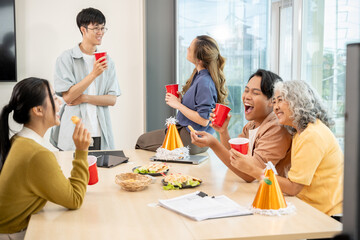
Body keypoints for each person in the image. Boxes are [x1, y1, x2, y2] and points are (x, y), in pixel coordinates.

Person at [229, 80, 343, 217]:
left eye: (280, 100)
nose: (275, 107)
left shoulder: (311, 136)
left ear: (298, 101)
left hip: (324, 215)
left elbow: (293, 187)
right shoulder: (300, 133)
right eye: (274, 101)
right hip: (307, 207)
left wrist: (252, 170)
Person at [0, 77, 91, 240]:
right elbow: (75, 199)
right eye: (54, 97)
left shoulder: (19, 141)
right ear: (38, 110)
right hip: (14, 234)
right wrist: (81, 151)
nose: (61, 102)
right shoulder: (37, 154)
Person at [191, 69, 292, 181]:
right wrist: (223, 132)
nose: (246, 97)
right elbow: (235, 158)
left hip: (275, 194)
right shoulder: (251, 126)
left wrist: (213, 144)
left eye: (255, 93)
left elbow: (249, 174)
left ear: (272, 101)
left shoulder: (277, 128)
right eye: (246, 90)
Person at [136, 35, 227, 155]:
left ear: (199, 59)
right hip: (190, 135)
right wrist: (181, 101)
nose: (187, 49)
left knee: (141, 141)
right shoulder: (199, 75)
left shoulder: (204, 81)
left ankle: (157, 171)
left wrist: (178, 105)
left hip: (192, 138)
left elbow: (203, 120)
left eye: (190, 48)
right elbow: (197, 106)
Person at [51, 7, 121, 151]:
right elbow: (69, 97)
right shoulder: (66, 58)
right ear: (83, 29)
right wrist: (93, 74)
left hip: (100, 132)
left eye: (102, 28)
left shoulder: (108, 61)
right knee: (72, 171)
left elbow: (112, 99)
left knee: (100, 173)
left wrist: (84, 98)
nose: (100, 32)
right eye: (95, 28)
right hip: (73, 133)